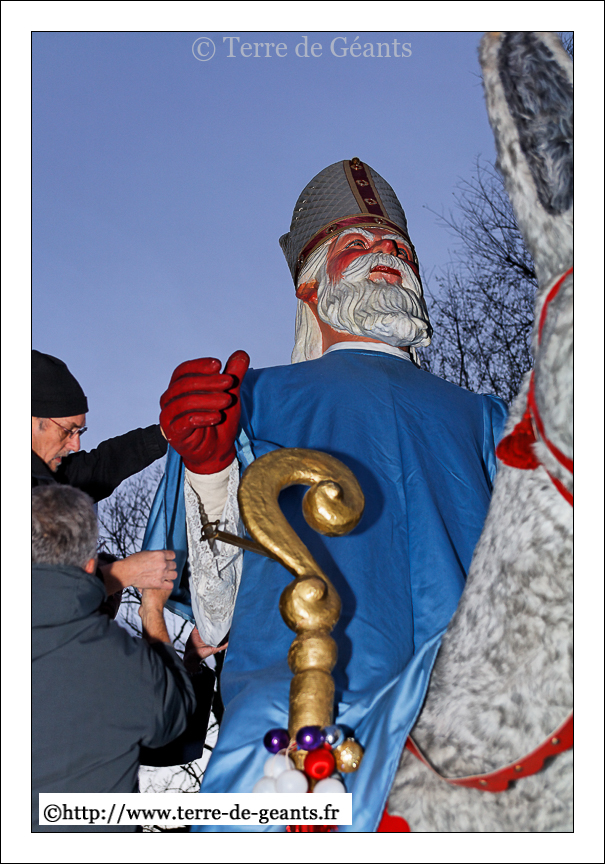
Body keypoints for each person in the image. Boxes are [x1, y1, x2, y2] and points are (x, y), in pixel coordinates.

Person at [146, 159, 508, 832]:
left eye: (398, 247)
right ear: (311, 284)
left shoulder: (490, 420)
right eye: (359, 243)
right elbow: (215, 622)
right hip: (296, 718)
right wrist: (210, 469)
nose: (387, 255)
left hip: (475, 711)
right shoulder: (247, 401)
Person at [31, 484, 197, 832]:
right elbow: (171, 725)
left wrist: (190, 662)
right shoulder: (122, 663)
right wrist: (152, 612)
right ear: (90, 566)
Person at [32, 349, 177, 599]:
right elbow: (42, 599)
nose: (75, 445)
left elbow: (104, 464)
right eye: (67, 431)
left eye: (80, 432)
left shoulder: (50, 477)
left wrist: (167, 432)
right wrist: (123, 574)